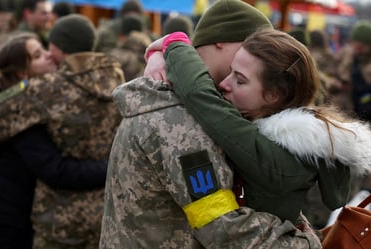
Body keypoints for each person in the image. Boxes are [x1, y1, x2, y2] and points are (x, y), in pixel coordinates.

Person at [100, 0, 322, 248]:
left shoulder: (188, 104)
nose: (258, 59)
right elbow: (224, 229)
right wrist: (307, 243)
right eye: (251, 47)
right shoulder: (180, 119)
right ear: (220, 41)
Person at [146, 27, 371, 228]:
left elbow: (200, 96)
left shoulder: (272, 155)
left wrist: (175, 43)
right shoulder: (293, 143)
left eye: (240, 80)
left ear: (274, 95)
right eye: (231, 71)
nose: (224, 83)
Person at [0, 14, 125, 249]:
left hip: (59, 219)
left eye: (47, 49)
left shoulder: (39, 94)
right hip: (106, 213)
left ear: (57, 47)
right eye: (37, 54)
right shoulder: (119, 79)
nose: (48, 55)